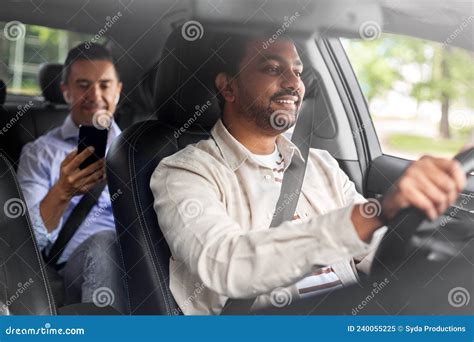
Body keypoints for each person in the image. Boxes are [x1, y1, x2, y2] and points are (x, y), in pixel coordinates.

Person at [150, 35, 466, 315]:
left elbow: (374, 249)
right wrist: (378, 212)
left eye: (298, 72)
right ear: (228, 86)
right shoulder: (183, 172)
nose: (293, 83)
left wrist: (448, 253)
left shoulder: (321, 165)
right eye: (273, 69)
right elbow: (228, 265)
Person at [17, 43, 128, 313]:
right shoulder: (40, 153)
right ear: (66, 91)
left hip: (140, 263)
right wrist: (62, 192)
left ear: (118, 90)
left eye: (104, 84)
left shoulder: (138, 148)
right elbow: (25, 243)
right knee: (105, 244)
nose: (95, 95)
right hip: (76, 268)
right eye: (82, 85)